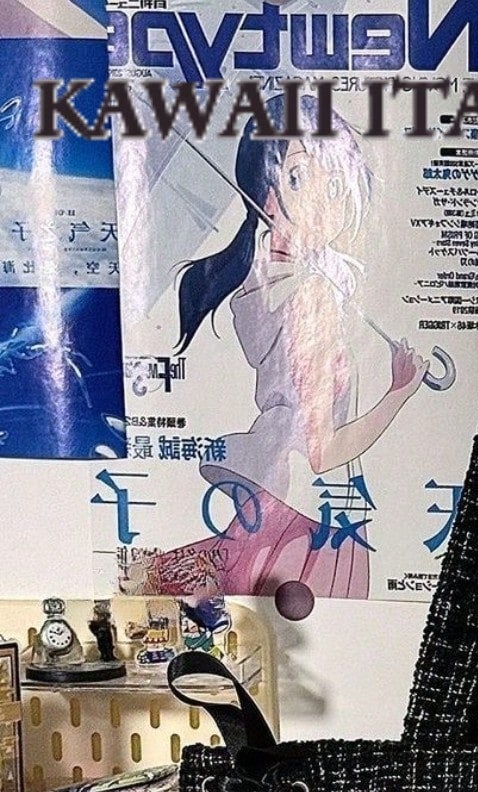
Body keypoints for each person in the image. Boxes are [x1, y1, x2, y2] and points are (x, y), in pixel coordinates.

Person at [139, 94, 428, 607]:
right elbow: (324, 451)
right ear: (266, 196)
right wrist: (398, 394)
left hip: (295, 503)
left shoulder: (303, 281)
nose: (323, 200)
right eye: (298, 177)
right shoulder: (299, 296)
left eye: (335, 184)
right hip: (303, 509)